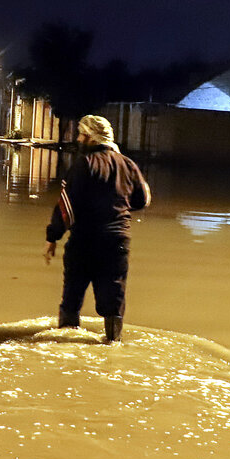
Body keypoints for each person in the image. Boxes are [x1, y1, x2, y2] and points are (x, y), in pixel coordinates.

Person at [43, 114, 151, 343]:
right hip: (117, 242)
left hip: (84, 241)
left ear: (91, 138)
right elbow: (143, 199)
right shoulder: (128, 164)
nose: (79, 139)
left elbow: (66, 206)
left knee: (72, 296)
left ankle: (65, 343)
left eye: (81, 134)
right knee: (113, 298)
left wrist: (52, 237)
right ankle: (113, 342)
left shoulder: (84, 164)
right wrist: (118, 206)